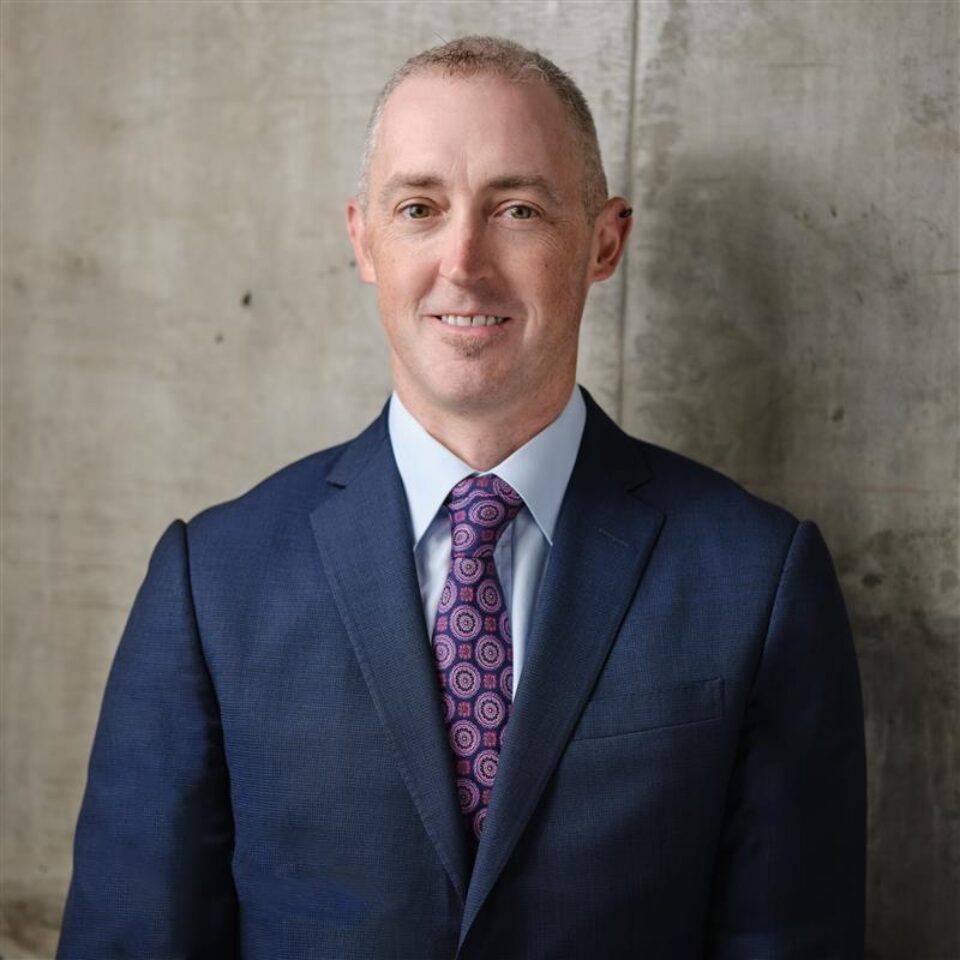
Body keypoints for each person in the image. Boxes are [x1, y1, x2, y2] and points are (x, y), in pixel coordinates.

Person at [58, 35, 866, 959]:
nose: (464, 262)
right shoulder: (211, 583)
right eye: (419, 208)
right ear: (363, 239)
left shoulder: (758, 580)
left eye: (518, 209)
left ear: (604, 242)